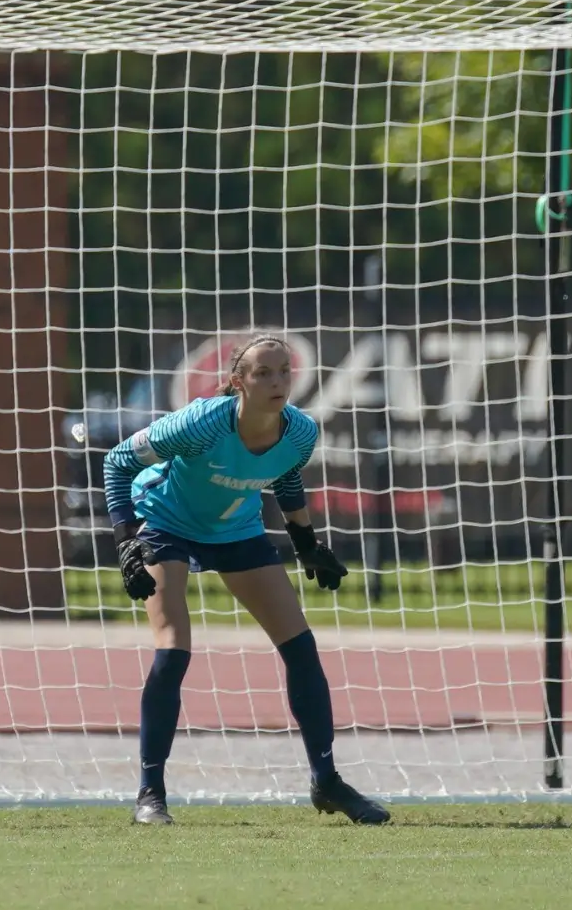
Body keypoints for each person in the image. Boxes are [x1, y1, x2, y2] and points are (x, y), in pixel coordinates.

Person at [103, 333, 391, 826]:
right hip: (166, 522)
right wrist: (127, 542)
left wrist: (306, 543)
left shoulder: (300, 431)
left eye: (284, 372)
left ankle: (326, 782)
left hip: (235, 530)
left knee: (301, 647)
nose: (277, 381)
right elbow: (117, 462)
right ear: (238, 381)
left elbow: (286, 474)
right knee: (173, 649)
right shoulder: (203, 422)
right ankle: (150, 794)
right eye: (263, 373)